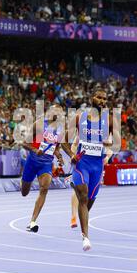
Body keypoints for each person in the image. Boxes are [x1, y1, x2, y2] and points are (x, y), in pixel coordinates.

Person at [62, 88, 118, 251]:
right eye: (99, 97)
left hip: (97, 166)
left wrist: (109, 147)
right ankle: (85, 237)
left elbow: (118, 143)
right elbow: (64, 141)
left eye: (104, 98)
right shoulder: (80, 117)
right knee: (84, 196)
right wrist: (72, 154)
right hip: (82, 164)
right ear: (92, 98)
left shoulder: (109, 120)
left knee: (88, 201)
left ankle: (81, 216)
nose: (102, 100)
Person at [21, 104, 64, 233]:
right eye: (56, 110)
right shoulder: (39, 124)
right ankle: (23, 181)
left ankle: (32, 221)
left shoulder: (60, 130)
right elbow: (24, 143)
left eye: (61, 111)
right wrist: (35, 149)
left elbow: (56, 148)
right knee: (24, 192)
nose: (59, 113)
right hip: (32, 161)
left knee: (44, 188)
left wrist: (59, 157)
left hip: (46, 164)